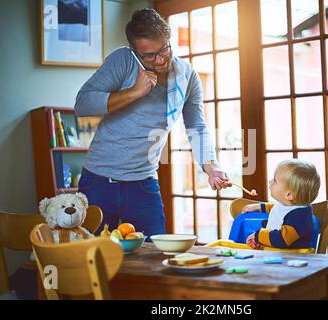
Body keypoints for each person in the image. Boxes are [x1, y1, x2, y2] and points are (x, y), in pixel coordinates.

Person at [74, 8, 231, 236]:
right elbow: (83, 104)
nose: (160, 60)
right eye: (149, 55)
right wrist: (134, 92)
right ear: (135, 52)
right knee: (96, 260)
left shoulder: (187, 76)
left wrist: (211, 166)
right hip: (99, 181)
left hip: (143, 181)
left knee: (154, 255)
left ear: (168, 40)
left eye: (164, 49)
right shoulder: (124, 60)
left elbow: (196, 126)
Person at [244, 159, 321, 250]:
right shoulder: (290, 205)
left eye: (275, 181)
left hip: (291, 257)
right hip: (277, 253)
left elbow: (281, 239)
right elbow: (278, 209)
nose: (270, 181)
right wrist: (259, 207)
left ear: (288, 195)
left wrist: (258, 235)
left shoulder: (298, 217)